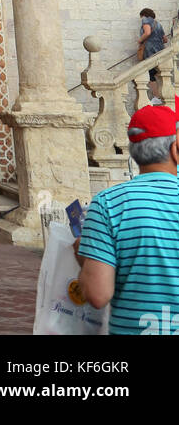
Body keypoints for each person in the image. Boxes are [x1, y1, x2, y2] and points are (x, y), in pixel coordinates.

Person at [76, 105, 179, 335]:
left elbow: (97, 294)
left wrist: (85, 258)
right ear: (176, 148)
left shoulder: (107, 204)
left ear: (133, 152)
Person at [137, 8, 167, 94]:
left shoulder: (146, 20)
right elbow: (165, 39)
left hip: (150, 49)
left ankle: (156, 96)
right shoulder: (158, 24)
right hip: (160, 49)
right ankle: (163, 94)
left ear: (143, 15)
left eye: (141, 17)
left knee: (149, 72)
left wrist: (140, 40)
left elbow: (147, 32)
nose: (141, 19)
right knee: (158, 71)